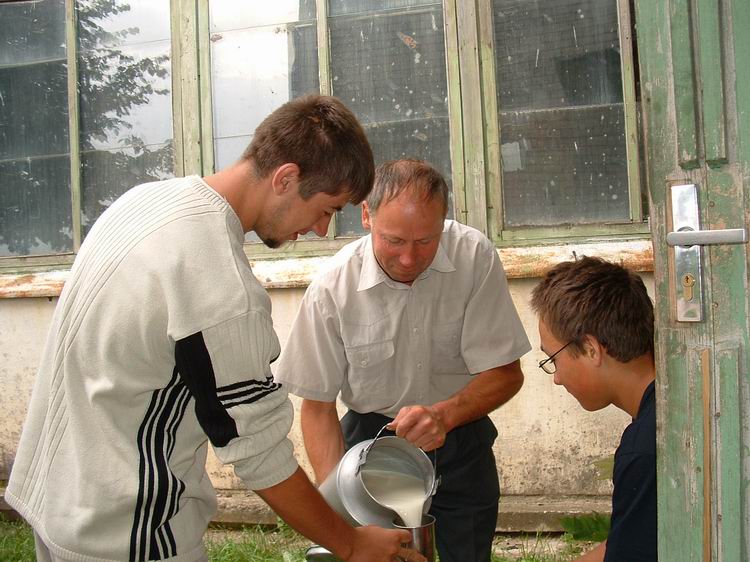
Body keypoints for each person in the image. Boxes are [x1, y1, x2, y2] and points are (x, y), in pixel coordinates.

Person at [4, 95, 414, 562]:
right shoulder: (219, 283)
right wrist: (352, 542)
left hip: (55, 502)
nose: (322, 230)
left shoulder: (145, 201)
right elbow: (258, 452)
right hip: (129, 534)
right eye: (326, 209)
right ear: (286, 178)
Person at [274, 158, 531, 562]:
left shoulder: (474, 257)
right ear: (366, 216)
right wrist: (343, 508)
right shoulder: (332, 289)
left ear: (445, 221)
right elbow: (318, 409)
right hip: (369, 448)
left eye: (426, 241)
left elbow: (505, 374)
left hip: (459, 439)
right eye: (394, 241)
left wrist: (444, 416)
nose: (410, 259)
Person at [530, 256, 657, 562]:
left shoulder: (646, 449)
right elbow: (629, 542)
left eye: (554, 360)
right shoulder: (666, 408)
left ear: (590, 349)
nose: (557, 379)